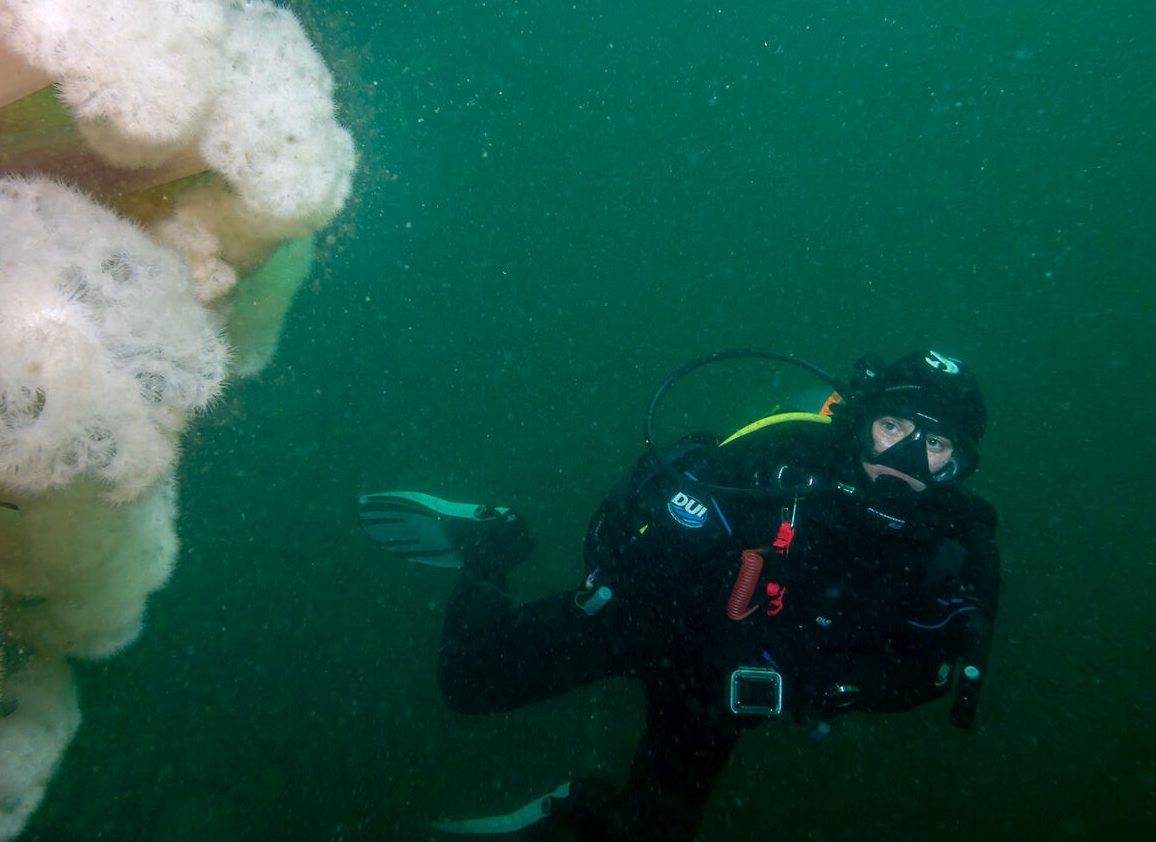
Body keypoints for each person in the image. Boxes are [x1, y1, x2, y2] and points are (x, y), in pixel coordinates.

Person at [360, 348, 1001, 841]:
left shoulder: (953, 546)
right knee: (469, 682)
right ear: (859, 420)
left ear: (958, 465)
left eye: (937, 443)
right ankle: (490, 545)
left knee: (651, 832)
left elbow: (933, 669)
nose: (909, 457)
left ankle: (577, 806)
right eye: (893, 426)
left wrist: (839, 687)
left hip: (724, 689)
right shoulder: (779, 463)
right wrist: (670, 568)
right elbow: (647, 522)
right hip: (654, 615)